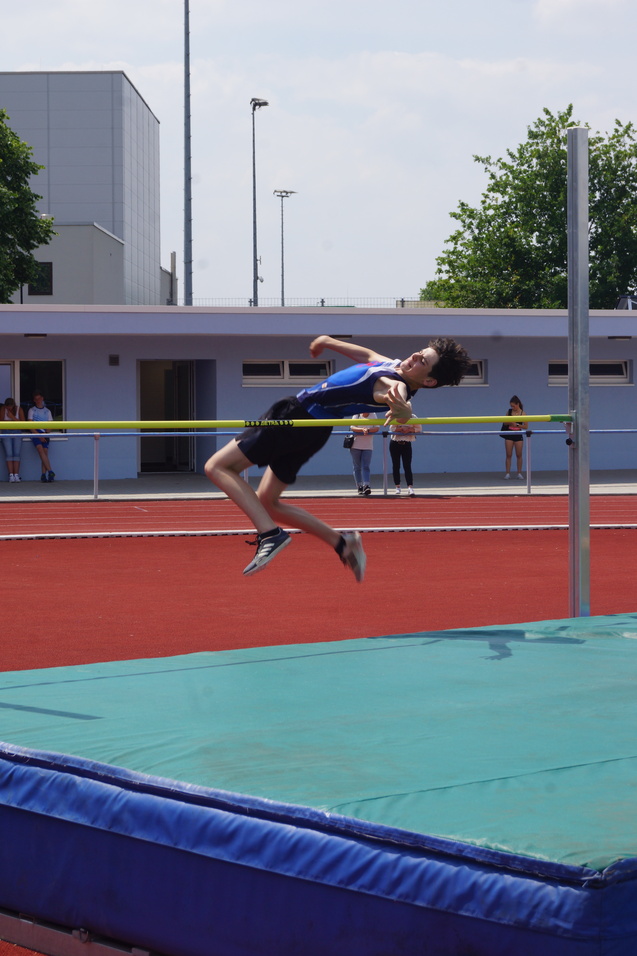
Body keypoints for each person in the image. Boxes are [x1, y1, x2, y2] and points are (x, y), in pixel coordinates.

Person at [204, 334, 472, 580]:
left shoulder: (394, 383)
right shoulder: (394, 366)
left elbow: (397, 397)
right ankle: (343, 544)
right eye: (418, 352)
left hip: (295, 417)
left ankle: (270, 534)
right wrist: (328, 341)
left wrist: (403, 409)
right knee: (268, 502)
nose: (413, 357)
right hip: (313, 429)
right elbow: (367, 355)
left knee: (217, 467)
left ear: (428, 381)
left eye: (422, 361)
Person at [28, 391, 55, 482]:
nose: (38, 400)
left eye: (39, 398)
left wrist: (46, 434)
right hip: (36, 433)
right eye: (36, 399)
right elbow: (30, 426)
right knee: (40, 449)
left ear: (42, 398)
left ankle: (44, 475)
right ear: (34, 400)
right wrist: (38, 435)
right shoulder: (32, 410)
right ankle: (50, 471)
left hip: (45, 433)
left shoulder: (47, 411)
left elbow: (50, 425)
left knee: (45, 452)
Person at [349, 411, 379, 496]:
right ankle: (359, 486)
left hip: (368, 445)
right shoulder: (356, 414)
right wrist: (362, 430)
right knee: (357, 466)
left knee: (366, 466)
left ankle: (366, 485)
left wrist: (368, 430)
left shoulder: (373, 414)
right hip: (355, 445)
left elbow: (377, 428)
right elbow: (352, 427)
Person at [389, 421, 422, 496]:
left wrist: (410, 429)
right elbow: (392, 428)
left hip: (406, 443)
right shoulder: (396, 417)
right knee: (396, 465)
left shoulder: (412, 417)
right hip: (395, 442)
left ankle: (410, 486)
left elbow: (419, 428)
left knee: (407, 465)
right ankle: (397, 486)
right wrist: (401, 429)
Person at [500, 395, 528, 480]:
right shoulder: (509, 412)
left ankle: (519, 473)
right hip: (509, 434)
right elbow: (504, 422)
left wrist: (517, 424)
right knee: (508, 454)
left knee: (519, 454)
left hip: (518, 434)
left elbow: (526, 426)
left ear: (518, 404)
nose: (512, 407)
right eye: (511, 406)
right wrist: (510, 422)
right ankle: (507, 473)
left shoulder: (523, 413)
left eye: (514, 406)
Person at [0, 397, 26, 482]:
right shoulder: (3, 409)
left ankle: (16, 475)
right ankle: (11, 475)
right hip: (6, 432)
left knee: (17, 454)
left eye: (10, 407)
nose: (9, 409)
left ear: (13, 406)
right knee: (9, 453)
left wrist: (12, 417)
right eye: (7, 407)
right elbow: (1, 422)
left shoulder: (19, 409)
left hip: (17, 432)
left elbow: (23, 424)